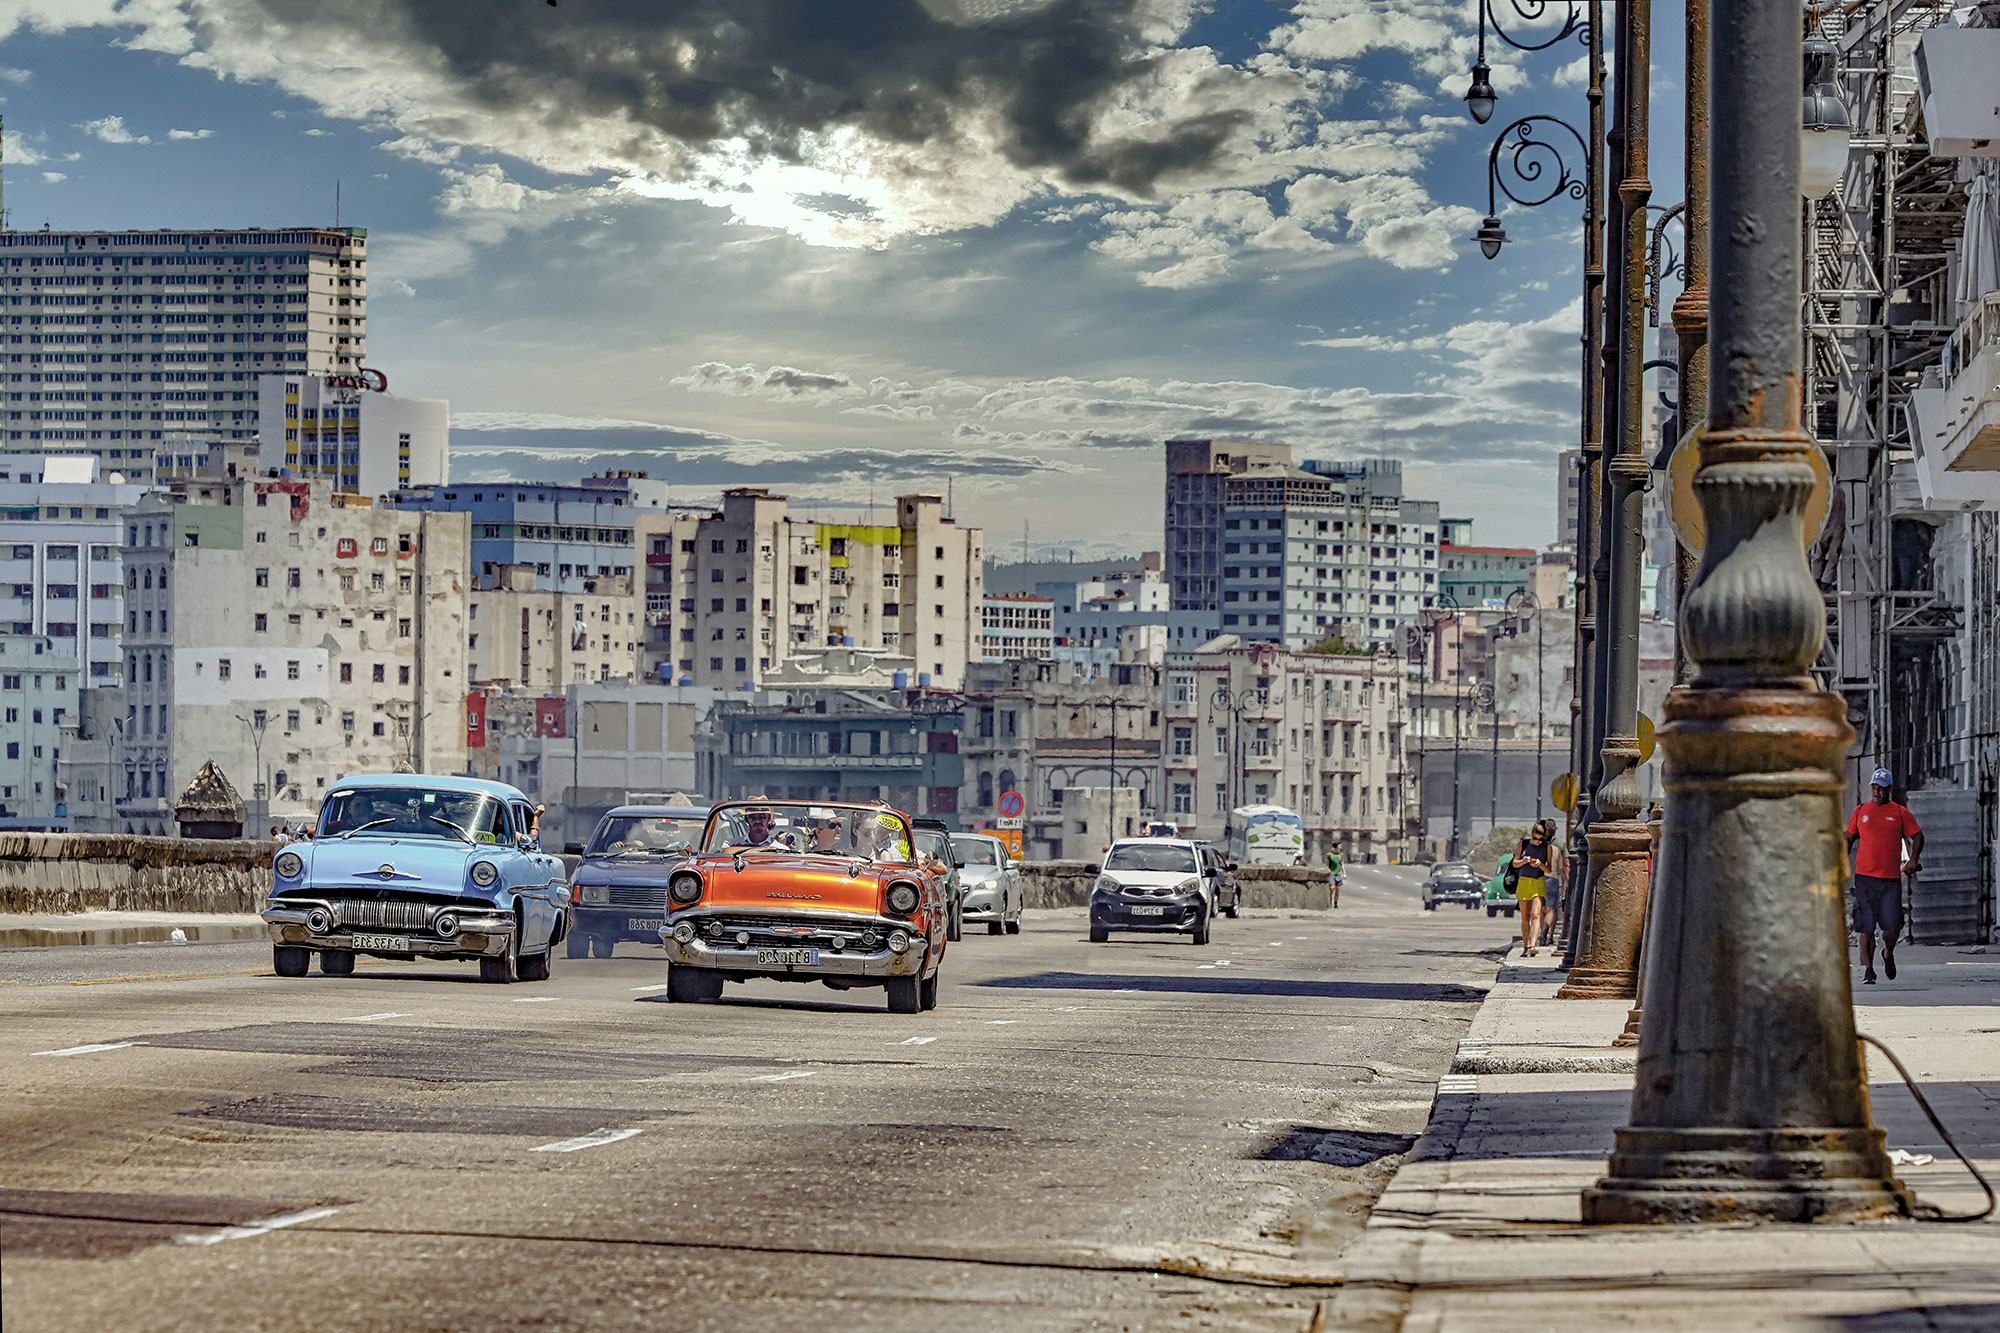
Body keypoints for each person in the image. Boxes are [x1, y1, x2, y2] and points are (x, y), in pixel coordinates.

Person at [1845, 767, 1922, 985]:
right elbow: (1849, 838)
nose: (1878, 792)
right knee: (1866, 926)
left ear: (1889, 789)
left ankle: (1888, 952)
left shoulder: (1899, 812)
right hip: (1864, 878)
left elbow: (1917, 836)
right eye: (1875, 788)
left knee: (1891, 927)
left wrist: (1913, 859)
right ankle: (1869, 969)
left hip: (1890, 880)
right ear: (1871, 788)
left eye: (1882, 788)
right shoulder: (1860, 811)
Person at [1512, 823, 1554, 957]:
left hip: (1538, 882)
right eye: (1535, 839)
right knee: (1525, 916)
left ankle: (1533, 945)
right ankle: (1526, 945)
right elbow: (1515, 863)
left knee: (1535, 914)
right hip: (1524, 881)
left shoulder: (1547, 847)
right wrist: (1524, 861)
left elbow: (1549, 869)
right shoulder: (1524, 844)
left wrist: (1540, 864)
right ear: (1531, 835)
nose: (1537, 842)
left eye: (1541, 839)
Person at [1326, 842, 1344, 909]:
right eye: (1340, 846)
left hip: (1338, 874)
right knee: (1332, 888)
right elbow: (1327, 863)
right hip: (1332, 873)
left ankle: (1335, 903)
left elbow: (1342, 864)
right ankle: (1330, 902)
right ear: (1336, 847)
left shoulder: (1341, 855)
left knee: (1337, 890)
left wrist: (1344, 873)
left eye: (1341, 846)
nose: (1341, 847)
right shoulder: (1330, 854)